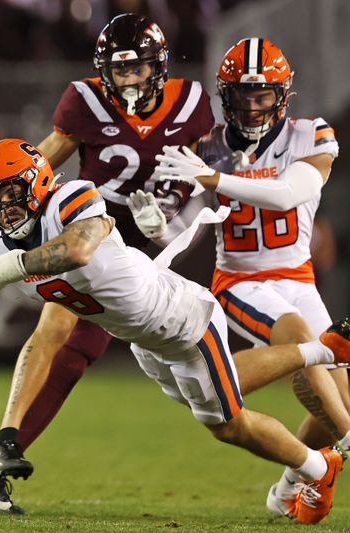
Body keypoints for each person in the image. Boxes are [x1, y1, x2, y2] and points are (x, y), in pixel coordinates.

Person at [0, 138, 348, 523]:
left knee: (227, 419)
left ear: (39, 182)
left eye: (12, 194)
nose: (4, 208)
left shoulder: (73, 198)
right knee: (221, 417)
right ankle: (316, 414)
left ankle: (317, 400)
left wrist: (1, 270)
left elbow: (77, 248)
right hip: (138, 336)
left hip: (182, 317)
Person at [0, 12, 215, 513]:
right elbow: (39, 163)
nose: (128, 80)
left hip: (148, 247)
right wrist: (1, 208)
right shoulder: (85, 100)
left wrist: (169, 226)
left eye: (137, 69)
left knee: (81, 357)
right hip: (89, 232)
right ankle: (0, 452)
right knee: (59, 333)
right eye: (118, 71)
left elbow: (205, 174)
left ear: (157, 66)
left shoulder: (192, 103)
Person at [154, 38, 348, 523]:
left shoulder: (311, 133)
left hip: (298, 276)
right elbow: (184, 225)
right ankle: (347, 441)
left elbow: (287, 195)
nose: (254, 105)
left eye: (263, 95)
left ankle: (289, 486)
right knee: (303, 344)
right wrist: (156, 224)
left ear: (284, 95)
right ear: (226, 96)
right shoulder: (212, 146)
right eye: (243, 95)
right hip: (241, 279)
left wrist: (214, 179)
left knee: (339, 397)